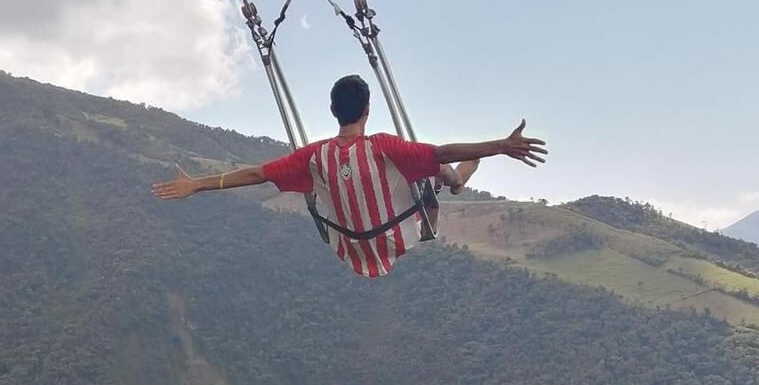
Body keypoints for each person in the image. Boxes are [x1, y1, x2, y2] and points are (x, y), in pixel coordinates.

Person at [151, 74, 548, 278]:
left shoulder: (314, 156)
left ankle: (459, 178)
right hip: (399, 235)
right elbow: (442, 152)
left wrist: (197, 185)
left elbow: (256, 174)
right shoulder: (383, 146)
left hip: (349, 245)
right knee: (439, 170)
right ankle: (461, 180)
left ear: (332, 111)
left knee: (428, 167)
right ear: (368, 109)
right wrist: (499, 145)